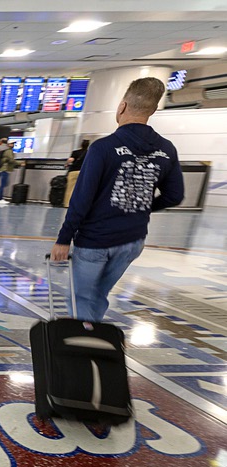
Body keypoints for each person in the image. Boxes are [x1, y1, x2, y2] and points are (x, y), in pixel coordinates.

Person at [51, 77, 184, 322]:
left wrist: (63, 239)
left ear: (122, 106)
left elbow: (82, 199)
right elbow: (175, 195)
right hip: (132, 240)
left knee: (80, 297)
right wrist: (140, 206)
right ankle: (97, 343)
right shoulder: (166, 149)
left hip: (95, 239)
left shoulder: (104, 147)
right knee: (99, 294)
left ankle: (84, 350)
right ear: (153, 110)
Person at [63, 139, 91, 207]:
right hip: (84, 172)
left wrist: (66, 164)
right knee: (82, 189)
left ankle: (67, 204)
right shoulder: (89, 153)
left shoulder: (75, 152)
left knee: (70, 188)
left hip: (74, 171)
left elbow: (70, 160)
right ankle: (79, 204)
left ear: (81, 145)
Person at [0, 139, 17, 205]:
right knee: (3, 184)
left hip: (4, 169)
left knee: (5, 183)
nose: (13, 145)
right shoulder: (9, 151)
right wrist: (20, 163)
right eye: (12, 144)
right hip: (5, 169)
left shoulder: (7, 150)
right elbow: (11, 160)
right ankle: (0, 198)